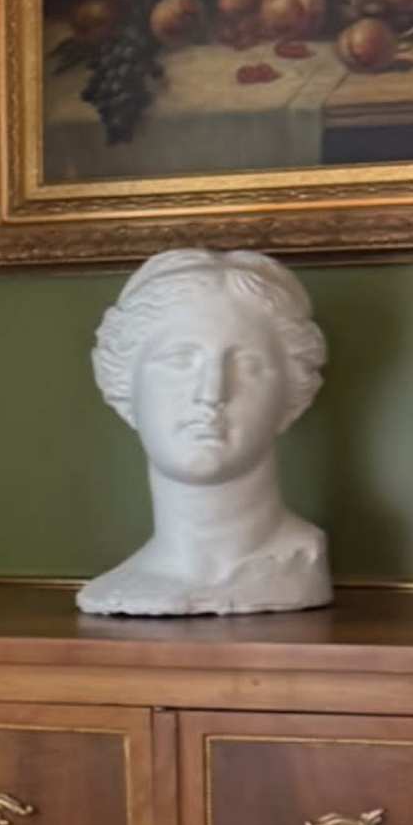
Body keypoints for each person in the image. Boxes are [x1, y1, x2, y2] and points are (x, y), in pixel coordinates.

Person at [77, 244, 330, 616]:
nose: (211, 393)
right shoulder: (117, 587)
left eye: (246, 364)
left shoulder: (301, 565)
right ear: (123, 384)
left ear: (292, 392)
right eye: (180, 359)